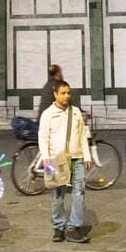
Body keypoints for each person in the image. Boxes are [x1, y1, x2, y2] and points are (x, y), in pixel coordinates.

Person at [37, 80, 92, 243]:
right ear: (55, 94)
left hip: (77, 157)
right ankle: (59, 227)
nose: (67, 96)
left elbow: (82, 134)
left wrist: (87, 155)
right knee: (57, 194)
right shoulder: (48, 114)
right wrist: (46, 158)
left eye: (68, 92)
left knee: (79, 192)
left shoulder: (75, 112)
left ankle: (73, 227)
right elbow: (43, 138)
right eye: (63, 93)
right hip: (55, 159)